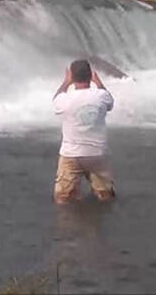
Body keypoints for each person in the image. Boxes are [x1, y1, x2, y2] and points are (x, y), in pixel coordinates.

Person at [52, 60, 115, 203]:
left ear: (72, 77)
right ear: (91, 75)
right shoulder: (101, 96)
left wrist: (65, 82)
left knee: (62, 199)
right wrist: (98, 82)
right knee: (105, 196)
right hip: (96, 154)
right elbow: (110, 102)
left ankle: (65, 223)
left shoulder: (65, 99)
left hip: (71, 155)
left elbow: (55, 101)